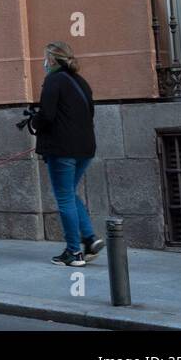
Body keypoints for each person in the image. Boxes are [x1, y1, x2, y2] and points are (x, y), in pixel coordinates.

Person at [34, 41, 104, 268]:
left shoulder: (54, 81)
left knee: (64, 197)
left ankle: (73, 252)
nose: (43, 62)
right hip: (85, 148)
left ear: (52, 60)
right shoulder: (80, 82)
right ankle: (90, 240)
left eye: (45, 58)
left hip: (62, 149)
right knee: (70, 194)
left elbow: (47, 115)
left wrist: (34, 121)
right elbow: (88, 113)